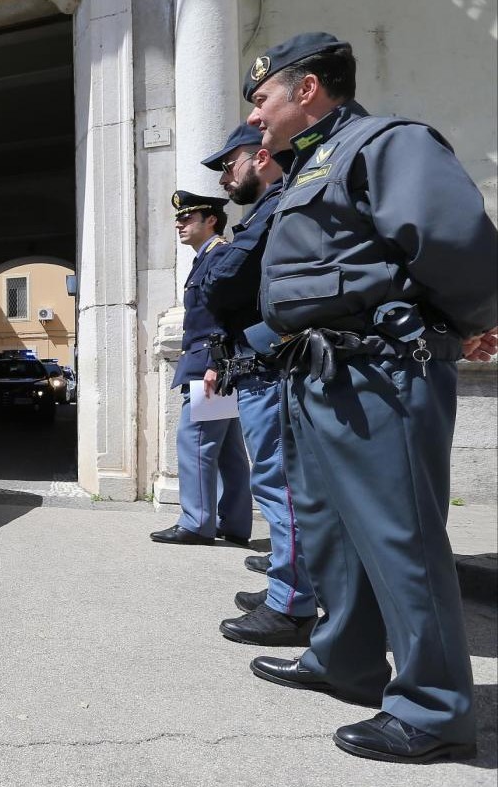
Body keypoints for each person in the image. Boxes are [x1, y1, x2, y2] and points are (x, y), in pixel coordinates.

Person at [242, 32, 497, 763]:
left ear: (308, 89)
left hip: (379, 372)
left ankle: (435, 709)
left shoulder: (386, 143)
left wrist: (467, 321)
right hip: (321, 373)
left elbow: (454, 241)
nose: (256, 116)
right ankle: (346, 660)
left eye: (262, 99)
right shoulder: (310, 165)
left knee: (401, 537)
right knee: (332, 533)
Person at [197, 122, 317, 647]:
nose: (225, 177)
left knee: (279, 483)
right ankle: (289, 587)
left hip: (270, 365)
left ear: (261, 157)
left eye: (230, 164)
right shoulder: (264, 209)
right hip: (258, 363)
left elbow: (221, 281)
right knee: (279, 482)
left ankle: (292, 604)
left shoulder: (278, 204)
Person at [149, 190, 252, 548]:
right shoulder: (207, 258)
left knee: (195, 444)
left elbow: (223, 316)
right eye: (179, 218)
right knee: (227, 450)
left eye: (188, 217)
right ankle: (235, 523)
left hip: (210, 364)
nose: (180, 223)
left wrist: (214, 364)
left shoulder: (218, 256)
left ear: (211, 220)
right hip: (216, 363)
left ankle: (196, 523)